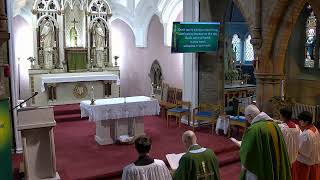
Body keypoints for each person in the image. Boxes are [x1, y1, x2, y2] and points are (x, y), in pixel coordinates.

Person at [240, 105, 291, 180]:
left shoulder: (254, 130)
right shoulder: (274, 125)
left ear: (250, 116)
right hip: (277, 166)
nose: (247, 120)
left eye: (246, 117)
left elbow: (247, 152)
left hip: (263, 166)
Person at [292, 111, 320, 180]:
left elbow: (301, 151)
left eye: (301, 120)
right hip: (314, 163)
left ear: (306, 122)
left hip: (304, 164)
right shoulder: (315, 129)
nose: (299, 122)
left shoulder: (306, 134)